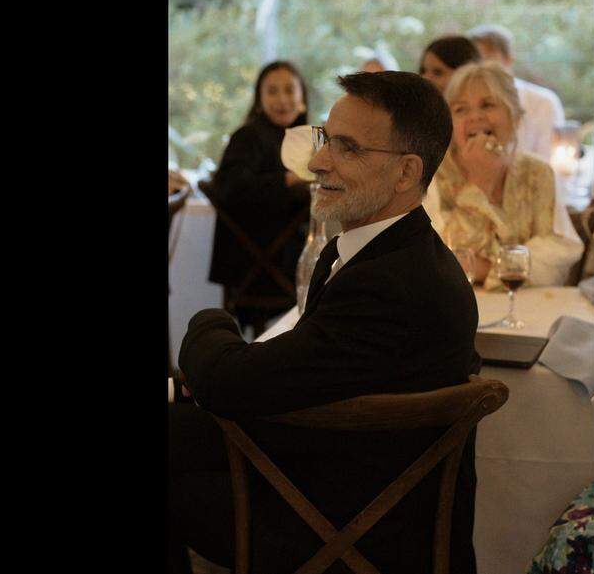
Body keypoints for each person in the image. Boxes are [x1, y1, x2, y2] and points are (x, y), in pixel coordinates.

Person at [170, 71, 482, 574]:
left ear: (406, 173)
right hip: (341, 478)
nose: (317, 162)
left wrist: (210, 320)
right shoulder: (383, 250)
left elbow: (228, 383)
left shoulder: (389, 282)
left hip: (351, 528)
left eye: (348, 148)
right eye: (325, 139)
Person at [425, 61, 583, 288]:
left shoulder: (537, 172)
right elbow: (441, 259)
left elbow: (559, 253)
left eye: (487, 105)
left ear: (515, 115)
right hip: (453, 304)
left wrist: (490, 269)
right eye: (461, 109)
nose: (475, 117)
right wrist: (479, 184)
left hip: (528, 305)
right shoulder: (431, 174)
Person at [206, 61, 313, 333]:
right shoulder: (248, 137)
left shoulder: (303, 138)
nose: (282, 100)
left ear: (302, 96)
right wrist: (289, 179)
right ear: (259, 99)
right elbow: (232, 188)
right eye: (272, 91)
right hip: (258, 263)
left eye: (290, 90)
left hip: (283, 255)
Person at [468, 24, 566, 162]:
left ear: (508, 59)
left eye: (488, 61)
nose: (481, 69)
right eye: (474, 62)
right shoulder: (464, 104)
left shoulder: (543, 102)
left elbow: (550, 160)